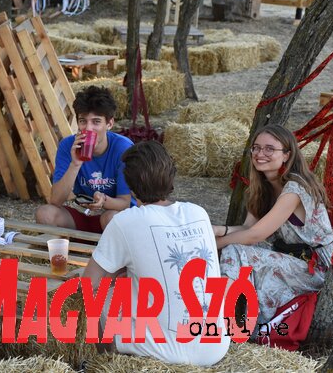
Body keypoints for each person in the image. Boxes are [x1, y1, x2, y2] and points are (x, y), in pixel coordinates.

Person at [83, 141, 230, 365]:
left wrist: (117, 275)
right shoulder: (198, 212)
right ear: (171, 178)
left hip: (168, 353)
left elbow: (89, 281)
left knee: (101, 294)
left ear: (131, 189)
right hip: (215, 346)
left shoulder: (126, 221)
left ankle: (105, 364)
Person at [214, 124, 333, 324]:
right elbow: (247, 228)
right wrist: (218, 231)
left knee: (235, 250)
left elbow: (256, 235)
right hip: (292, 257)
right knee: (234, 247)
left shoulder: (295, 189)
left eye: (270, 148)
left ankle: (220, 322)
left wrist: (213, 244)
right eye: (256, 147)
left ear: (287, 155)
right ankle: (235, 317)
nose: (260, 153)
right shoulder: (263, 188)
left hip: (317, 267)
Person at [35, 86, 134, 233]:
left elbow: (126, 203)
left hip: (112, 216)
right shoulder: (68, 145)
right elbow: (56, 200)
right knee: (44, 214)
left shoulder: (123, 148)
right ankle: (70, 248)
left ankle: (106, 251)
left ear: (109, 124)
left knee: (112, 218)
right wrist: (75, 163)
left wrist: (103, 201)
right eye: (83, 121)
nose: (88, 128)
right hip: (84, 213)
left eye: (96, 122)